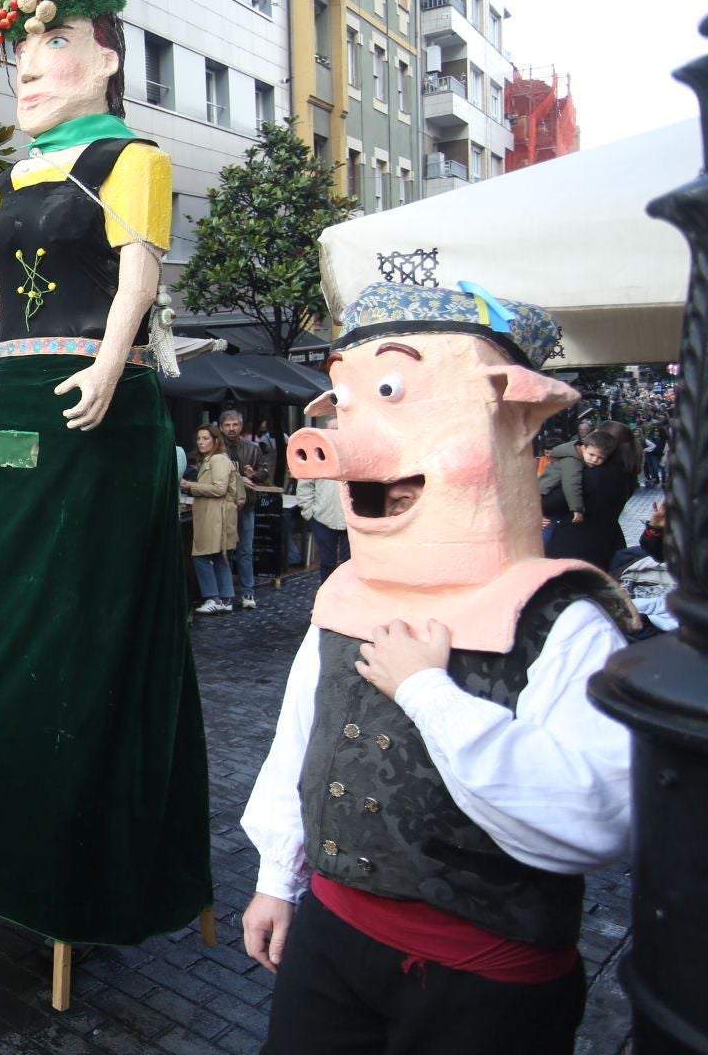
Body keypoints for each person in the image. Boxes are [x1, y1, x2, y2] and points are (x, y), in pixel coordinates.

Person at [0, 0, 212, 951]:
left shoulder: (136, 162)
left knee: (84, 609)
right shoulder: (3, 183)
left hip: (96, 399)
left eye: (55, 44)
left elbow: (137, 279)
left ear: (107, 60)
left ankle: (77, 825)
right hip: (14, 398)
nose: (30, 67)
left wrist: (115, 363)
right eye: (22, 52)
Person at [241, 283, 637, 1055]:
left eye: (395, 393)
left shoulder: (566, 621)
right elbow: (299, 744)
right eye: (350, 401)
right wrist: (274, 879)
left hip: (484, 985)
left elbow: (597, 820)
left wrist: (430, 693)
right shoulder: (345, 594)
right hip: (329, 940)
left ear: (514, 412)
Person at [545, 428, 637, 571]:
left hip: (573, 545)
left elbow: (552, 502)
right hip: (606, 545)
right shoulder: (627, 475)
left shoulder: (592, 474)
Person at [187, 425, 240, 615]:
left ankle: (213, 597)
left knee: (201, 556)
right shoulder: (213, 459)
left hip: (215, 516)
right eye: (199, 438)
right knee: (220, 557)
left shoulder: (218, 460)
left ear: (215, 441)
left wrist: (191, 486)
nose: (201, 442)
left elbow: (219, 488)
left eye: (205, 438)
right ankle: (225, 598)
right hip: (215, 515)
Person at [219, 409, 266, 610]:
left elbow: (265, 471)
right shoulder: (217, 448)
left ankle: (248, 592)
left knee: (245, 550)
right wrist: (240, 478)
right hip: (224, 506)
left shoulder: (252, 448)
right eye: (228, 425)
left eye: (235, 424)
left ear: (241, 426)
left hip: (247, 505)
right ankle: (227, 595)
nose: (231, 428)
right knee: (226, 551)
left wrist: (254, 474)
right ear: (221, 427)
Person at [294, 418, 350, 582]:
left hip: (350, 519)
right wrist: (309, 512)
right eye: (331, 428)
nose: (334, 432)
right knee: (327, 563)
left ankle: (347, 601)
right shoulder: (316, 454)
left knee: (349, 564)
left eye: (337, 428)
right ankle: (326, 600)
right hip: (322, 517)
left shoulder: (353, 453)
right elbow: (305, 484)